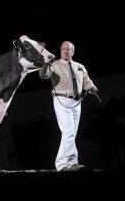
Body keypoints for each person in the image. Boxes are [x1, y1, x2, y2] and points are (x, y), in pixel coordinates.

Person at [39, 41, 98, 171]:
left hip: (77, 101)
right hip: (61, 99)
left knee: (70, 134)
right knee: (68, 133)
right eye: (63, 49)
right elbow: (43, 75)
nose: (66, 51)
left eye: (68, 49)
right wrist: (45, 63)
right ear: (60, 50)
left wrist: (91, 87)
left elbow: (87, 82)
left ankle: (66, 164)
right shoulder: (54, 64)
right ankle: (67, 164)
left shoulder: (80, 66)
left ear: (73, 51)